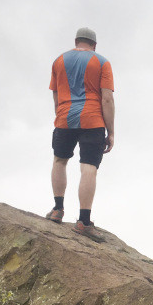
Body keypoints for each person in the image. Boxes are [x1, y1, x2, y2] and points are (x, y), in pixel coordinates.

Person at [45, 27, 115, 243]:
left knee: (60, 160)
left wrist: (61, 115)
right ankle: (83, 222)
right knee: (89, 168)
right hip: (93, 120)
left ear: (76, 41)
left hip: (64, 117)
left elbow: (56, 95)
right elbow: (107, 99)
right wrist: (110, 131)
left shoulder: (59, 61)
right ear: (94, 45)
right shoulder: (102, 62)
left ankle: (57, 209)